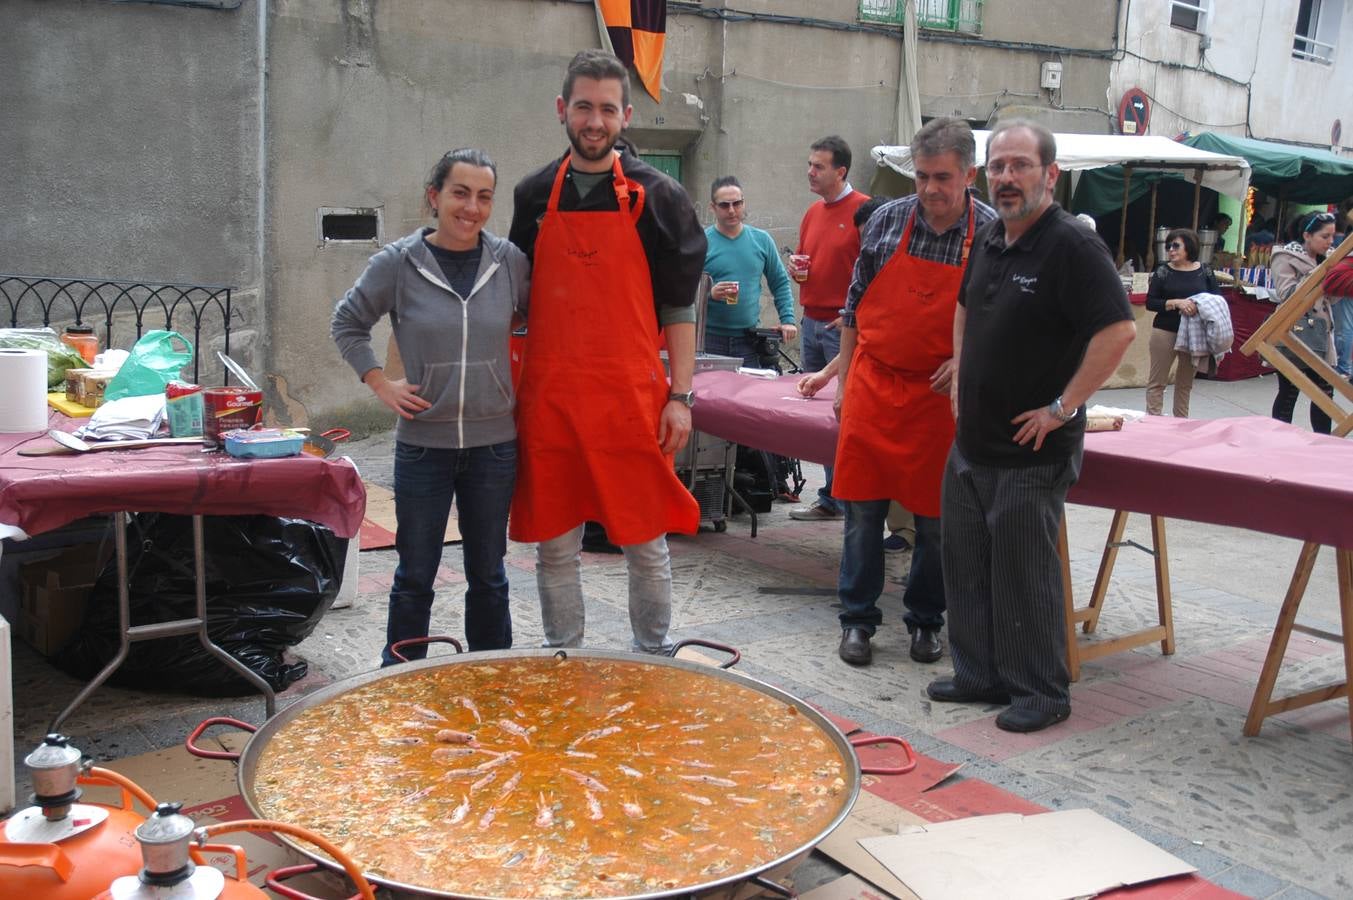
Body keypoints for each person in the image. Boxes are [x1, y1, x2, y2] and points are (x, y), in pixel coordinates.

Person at [927, 120, 1135, 733]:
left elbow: (1118, 330)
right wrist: (962, 373)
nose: (1006, 178)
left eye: (1020, 166)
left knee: (1023, 574)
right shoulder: (992, 236)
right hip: (972, 444)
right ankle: (979, 674)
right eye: (997, 167)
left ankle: (1042, 692)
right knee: (964, 564)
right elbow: (965, 305)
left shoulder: (1072, 245)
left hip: (1031, 450)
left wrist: (1063, 407)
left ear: (1051, 174)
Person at [507, 49, 705, 653]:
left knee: (646, 543)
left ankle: (654, 655)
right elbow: (516, 301)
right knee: (557, 545)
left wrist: (681, 397)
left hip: (631, 398)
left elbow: (678, 307)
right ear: (563, 109)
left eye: (609, 110)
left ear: (625, 117)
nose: (595, 121)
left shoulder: (659, 196)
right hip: (553, 400)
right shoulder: (534, 194)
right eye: (585, 107)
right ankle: (562, 655)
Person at [331, 148, 529, 665]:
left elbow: (548, 320)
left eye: (484, 197)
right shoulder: (397, 264)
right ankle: (401, 677)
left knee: (489, 573)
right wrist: (380, 382)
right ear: (434, 196)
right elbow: (347, 323)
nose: (472, 207)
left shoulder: (508, 262)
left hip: (494, 448)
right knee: (415, 573)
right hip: (424, 449)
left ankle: (490, 675)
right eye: (460, 193)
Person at [830, 118, 997, 668]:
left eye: (942, 177)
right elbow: (854, 307)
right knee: (861, 515)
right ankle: (856, 621)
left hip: (939, 400)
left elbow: (1001, 319)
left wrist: (967, 356)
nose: (930, 190)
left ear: (969, 175)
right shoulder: (886, 222)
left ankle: (926, 622)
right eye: (922, 176)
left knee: (936, 523)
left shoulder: (992, 236)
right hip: (874, 389)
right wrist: (844, 381)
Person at [797, 197, 915, 554]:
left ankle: (907, 530)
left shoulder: (907, 267)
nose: (869, 245)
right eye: (864, 238)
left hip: (910, 384)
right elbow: (858, 333)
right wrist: (829, 376)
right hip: (872, 382)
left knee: (902, 459)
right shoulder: (870, 268)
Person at [788, 135, 871, 522]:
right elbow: (807, 260)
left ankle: (850, 494)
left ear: (841, 171)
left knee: (846, 411)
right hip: (811, 321)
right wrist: (797, 272)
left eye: (818, 166)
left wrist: (855, 315)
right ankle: (830, 495)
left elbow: (876, 274)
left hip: (843, 329)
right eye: (809, 164)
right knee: (817, 414)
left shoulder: (865, 211)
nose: (810, 171)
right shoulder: (811, 212)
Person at [702, 175, 797, 365]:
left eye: (737, 203)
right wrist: (709, 293)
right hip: (709, 340)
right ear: (712, 207)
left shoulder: (761, 240)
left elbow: (779, 282)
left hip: (749, 340)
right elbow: (684, 288)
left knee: (748, 393)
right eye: (724, 205)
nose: (732, 210)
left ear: (744, 203)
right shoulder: (701, 241)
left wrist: (788, 320)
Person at [1270, 211, 1338, 432]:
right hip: (1294, 331)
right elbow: (1286, 294)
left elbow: (1332, 298)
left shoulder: (1327, 258)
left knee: (1324, 393)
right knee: (1289, 391)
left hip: (1321, 331)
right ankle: (1279, 441)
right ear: (1307, 235)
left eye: (1332, 237)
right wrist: (1320, 273)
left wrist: (1337, 278)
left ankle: (1323, 443)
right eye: (1325, 236)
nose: (1330, 242)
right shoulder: (1284, 256)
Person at [1144, 228, 1218, 417]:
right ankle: (1154, 423)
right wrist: (1176, 303)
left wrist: (1196, 304)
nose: (1171, 250)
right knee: (1157, 382)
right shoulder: (1162, 271)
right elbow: (1151, 302)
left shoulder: (1205, 271)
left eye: (1176, 245)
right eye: (1168, 246)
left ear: (1189, 247)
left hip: (1194, 333)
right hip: (1165, 330)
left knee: (1185, 384)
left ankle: (1180, 424)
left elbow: (1217, 300)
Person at [1322, 246, 1353, 379]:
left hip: (1346, 283)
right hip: (1346, 281)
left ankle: (1343, 367)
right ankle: (1345, 366)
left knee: (1345, 328)